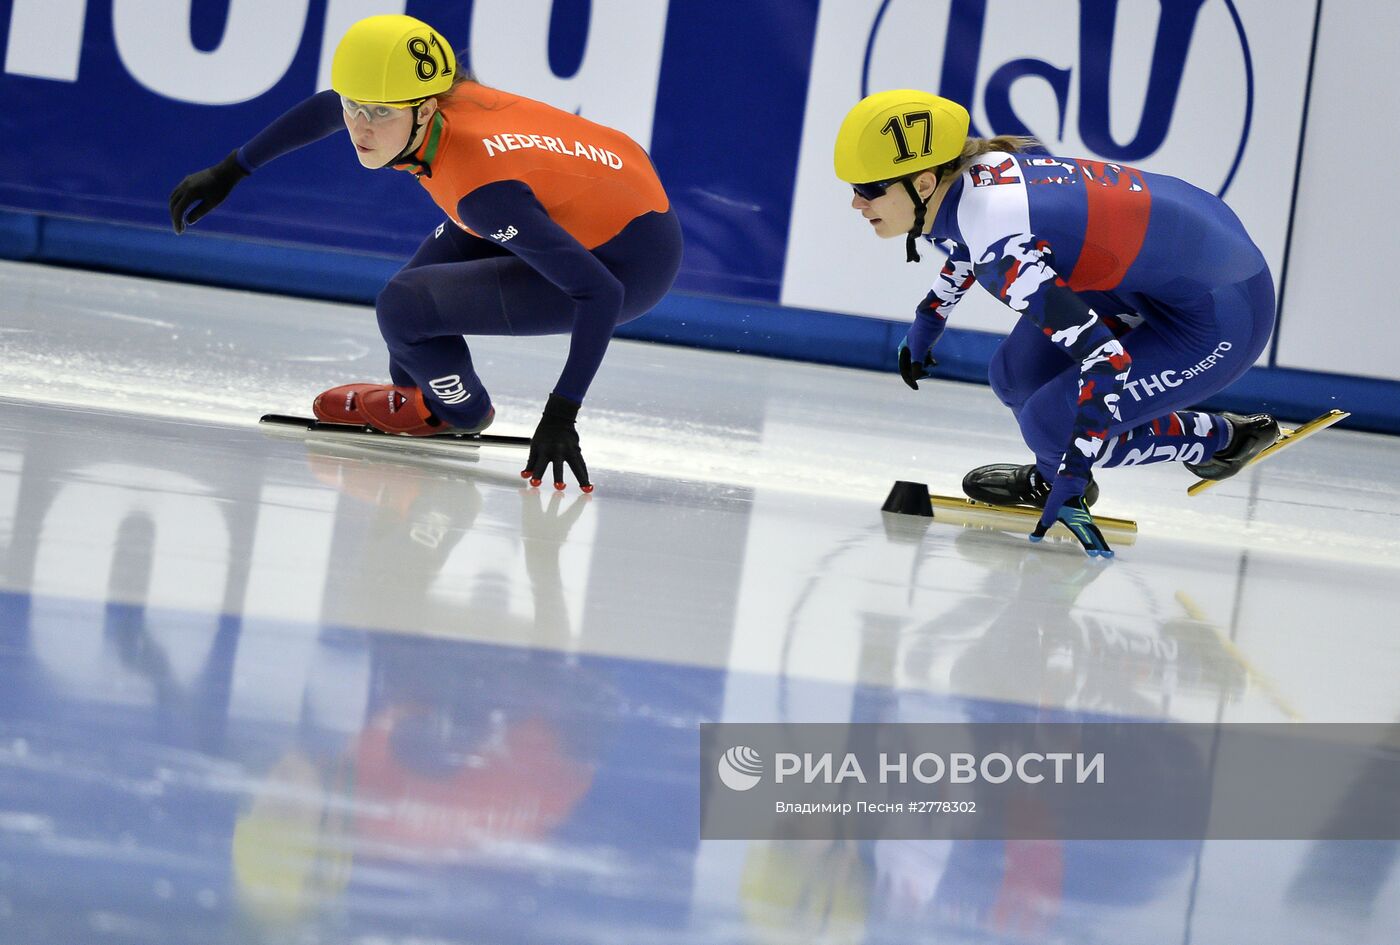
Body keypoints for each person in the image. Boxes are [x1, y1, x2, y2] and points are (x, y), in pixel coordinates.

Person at [169, 14, 683, 492]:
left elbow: (600, 291)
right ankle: (426, 397)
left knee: (405, 306)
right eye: (355, 108)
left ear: (428, 110)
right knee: (409, 343)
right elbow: (330, 106)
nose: (360, 128)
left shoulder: (480, 191)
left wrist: (560, 416)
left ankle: (460, 412)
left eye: (378, 114)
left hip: (626, 264)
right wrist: (231, 169)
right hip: (583, 199)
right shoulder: (421, 103)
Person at [834, 90, 1281, 557]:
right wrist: (925, 327)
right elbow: (974, 240)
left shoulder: (999, 247)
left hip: (1225, 313)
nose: (856, 204)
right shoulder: (977, 178)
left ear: (924, 185)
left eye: (869, 190)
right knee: (1013, 376)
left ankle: (1221, 440)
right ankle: (1060, 467)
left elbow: (1107, 361)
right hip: (1158, 274)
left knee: (1053, 426)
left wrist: (1068, 482)